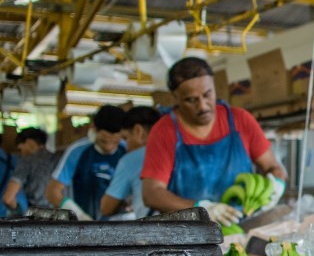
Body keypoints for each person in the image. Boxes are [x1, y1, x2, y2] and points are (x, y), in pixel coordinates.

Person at [141, 57, 287, 226]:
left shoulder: (241, 121)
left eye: (207, 94)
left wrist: (277, 183)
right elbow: (151, 193)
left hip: (239, 227)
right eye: (191, 100)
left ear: (214, 87)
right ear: (176, 97)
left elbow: (272, 167)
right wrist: (199, 209)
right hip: (188, 234)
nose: (202, 106)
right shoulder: (164, 131)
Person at [46, 105, 127, 220]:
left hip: (119, 223)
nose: (109, 144)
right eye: (104, 139)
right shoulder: (78, 151)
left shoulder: (127, 151)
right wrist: (79, 216)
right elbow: (52, 192)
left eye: (114, 140)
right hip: (84, 224)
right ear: (94, 129)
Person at [100, 106, 162, 219]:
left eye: (125, 138)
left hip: (152, 230)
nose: (125, 146)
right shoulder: (176, 151)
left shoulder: (131, 160)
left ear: (138, 131)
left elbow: (106, 207)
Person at [3, 127, 57, 214]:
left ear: (30, 142)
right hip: (61, 219)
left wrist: (19, 210)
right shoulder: (59, 160)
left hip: (36, 219)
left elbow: (8, 198)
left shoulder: (27, 161)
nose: (21, 154)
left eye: (21, 150)